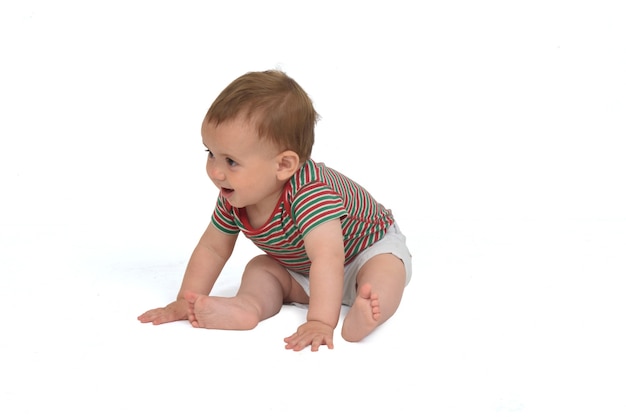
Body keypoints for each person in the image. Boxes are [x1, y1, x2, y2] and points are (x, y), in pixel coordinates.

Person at [137, 70, 412, 351]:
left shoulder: (310, 192)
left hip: (364, 252)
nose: (216, 171)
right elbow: (212, 249)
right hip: (304, 269)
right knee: (261, 268)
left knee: (384, 275)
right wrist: (185, 299)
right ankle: (248, 306)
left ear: (283, 165)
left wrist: (319, 321)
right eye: (210, 153)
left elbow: (328, 256)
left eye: (231, 161)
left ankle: (365, 315)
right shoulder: (236, 196)